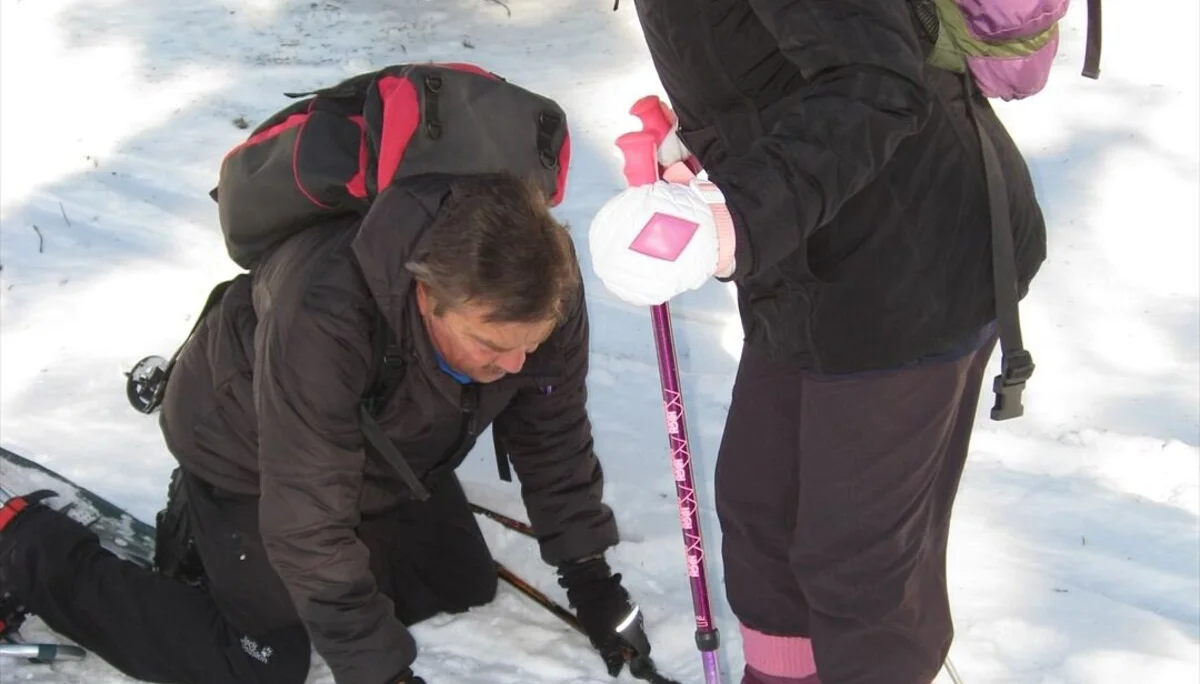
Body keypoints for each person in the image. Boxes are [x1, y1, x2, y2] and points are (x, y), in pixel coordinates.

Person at [0, 171, 656, 683]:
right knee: (262, 661)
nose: (515, 365)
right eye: (491, 346)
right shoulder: (327, 312)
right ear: (428, 296)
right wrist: (384, 674)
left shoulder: (544, 285)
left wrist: (591, 578)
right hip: (245, 445)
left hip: (383, 449)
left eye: (527, 347)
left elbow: (554, 439)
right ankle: (29, 544)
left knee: (455, 583)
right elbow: (309, 518)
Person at [587, 2, 1046, 684]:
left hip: (911, 263)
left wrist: (733, 212)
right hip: (809, 257)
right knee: (763, 512)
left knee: (857, 565)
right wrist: (707, 144)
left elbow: (875, 81)